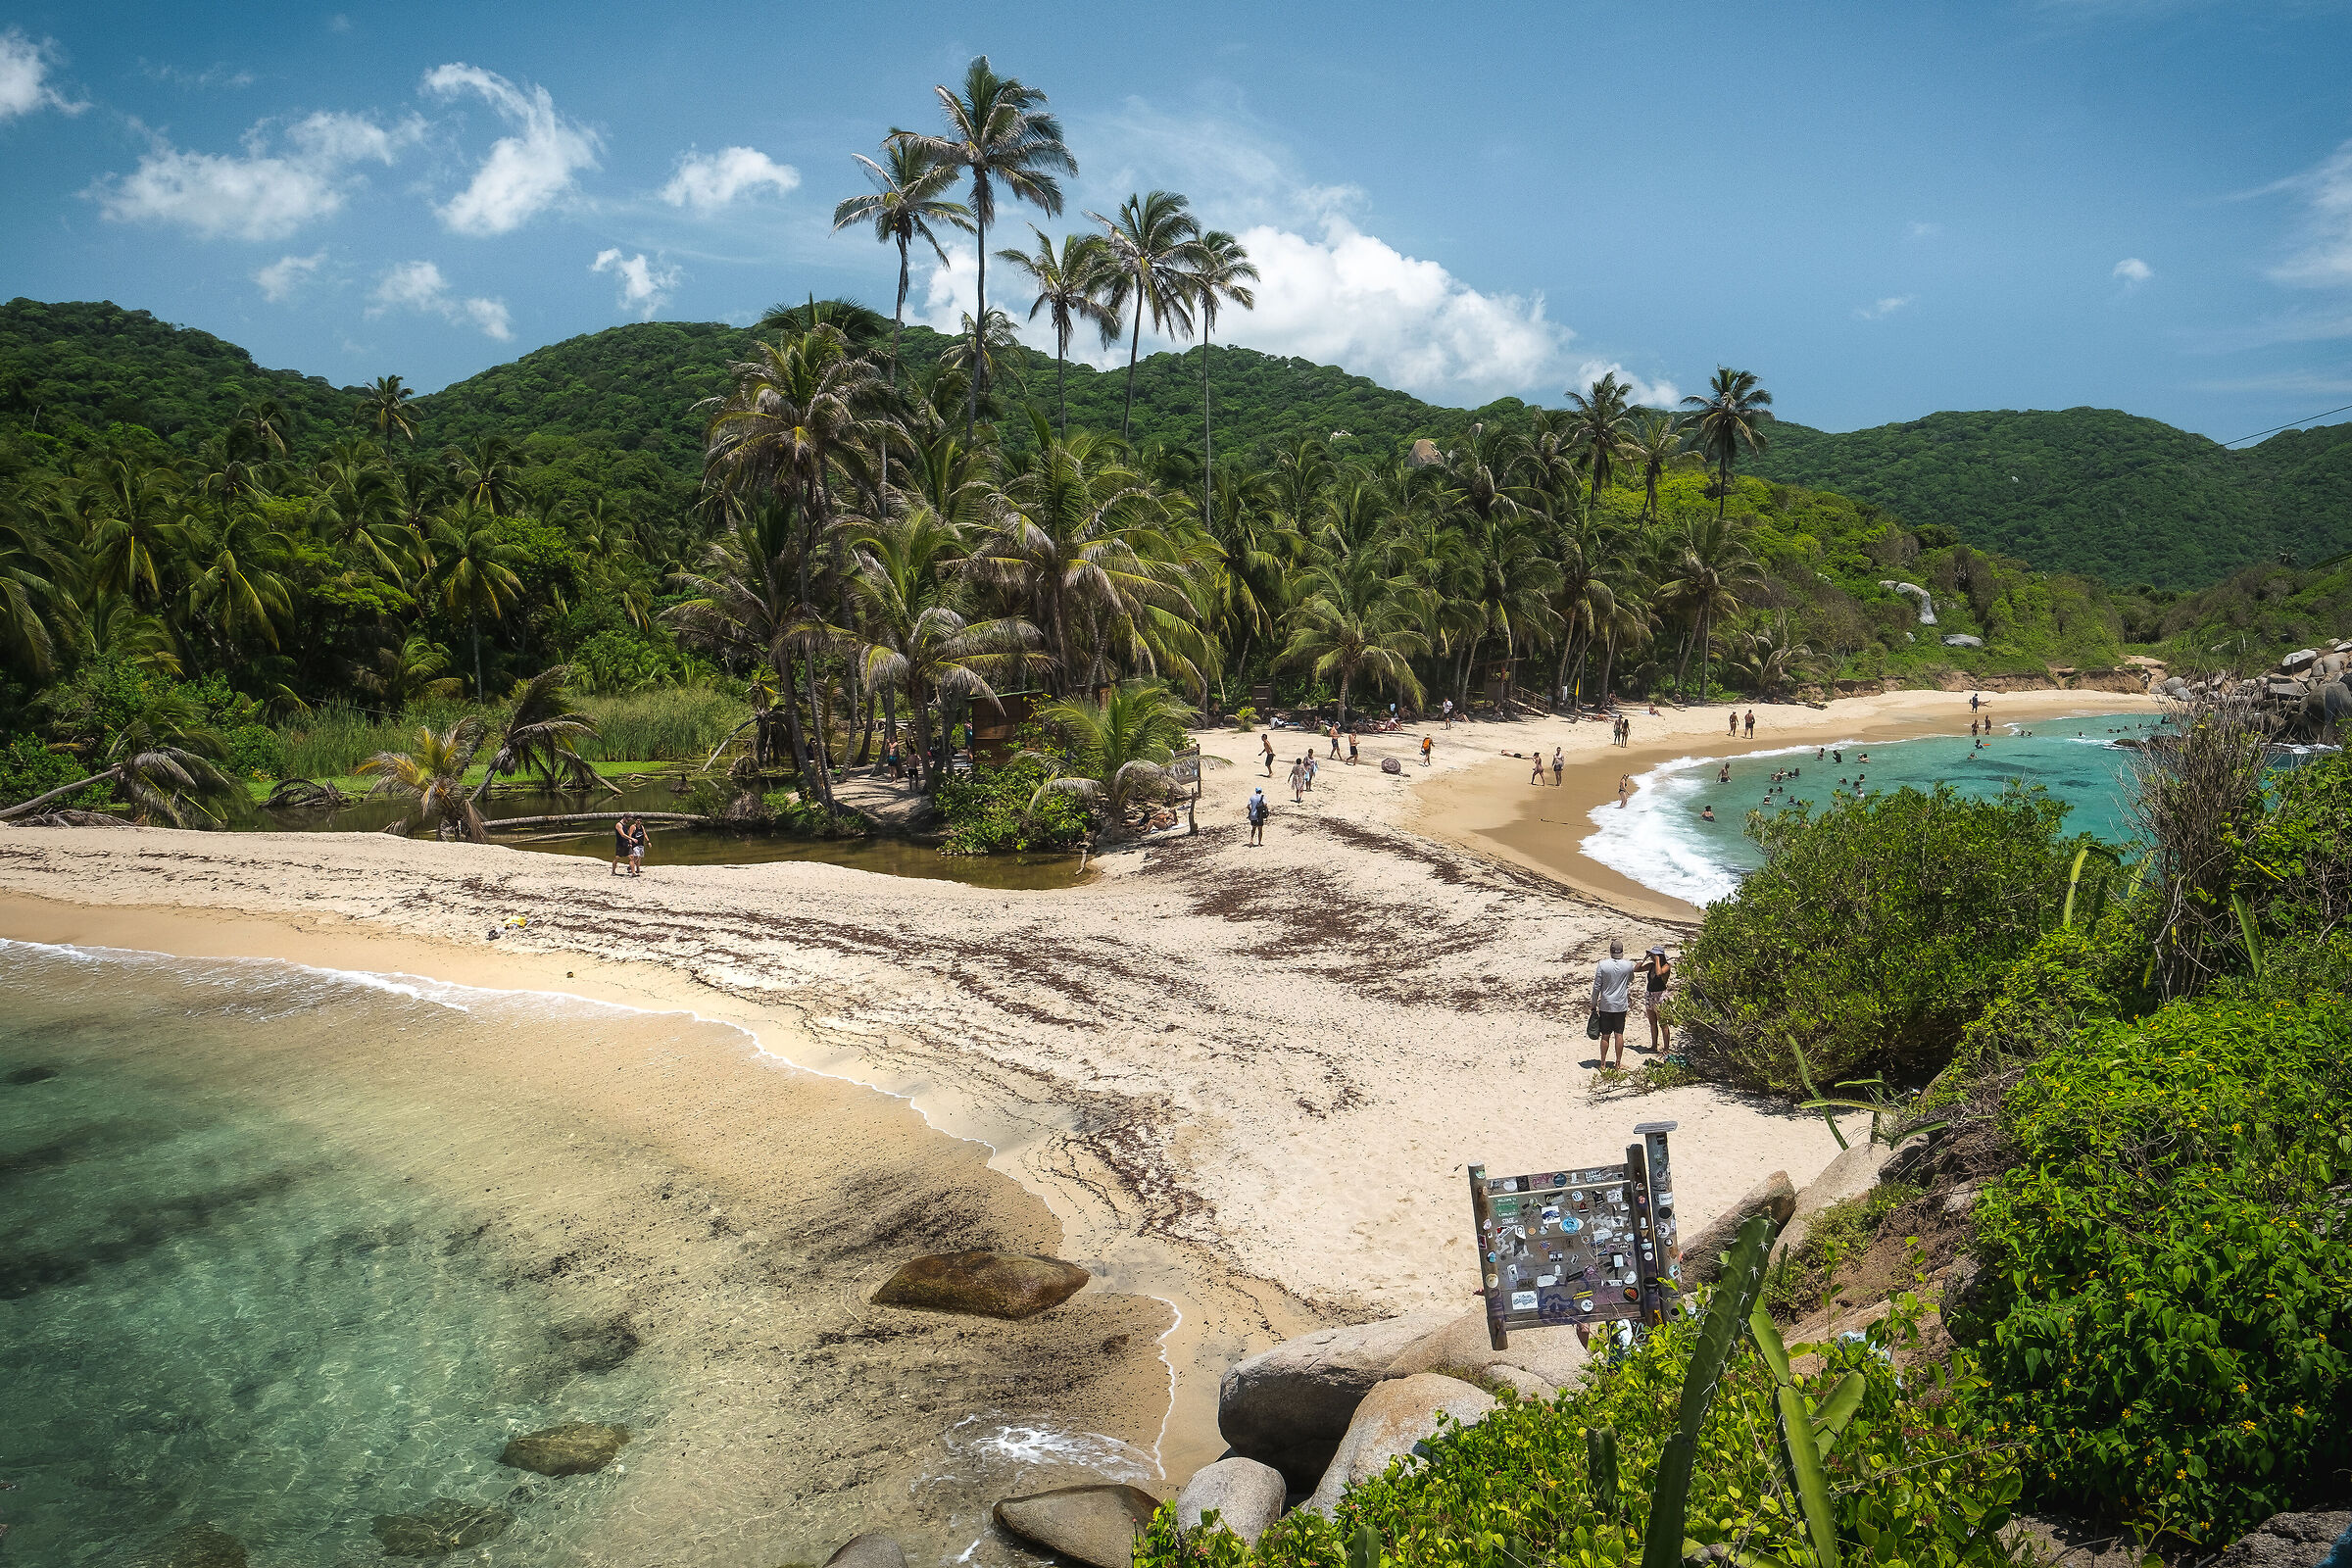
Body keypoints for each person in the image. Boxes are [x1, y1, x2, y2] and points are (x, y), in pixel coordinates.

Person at [1590, 938, 1638, 1069]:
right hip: (1620, 1005)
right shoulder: (1628, 965)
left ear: (1610, 951)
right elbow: (1631, 979)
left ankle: (1603, 1063)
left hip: (1606, 1004)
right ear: (1622, 952)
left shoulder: (1602, 965)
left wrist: (1593, 1003)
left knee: (1605, 1034)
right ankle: (1617, 1063)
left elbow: (1596, 986)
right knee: (1619, 1034)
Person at [1639, 945, 1674, 1054]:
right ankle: (1654, 1045)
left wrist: (1658, 959)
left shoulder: (1666, 966)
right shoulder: (1651, 966)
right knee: (1652, 1022)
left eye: (1654, 955)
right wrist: (1645, 958)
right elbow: (1637, 969)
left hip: (1660, 996)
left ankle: (1666, 1048)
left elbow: (1659, 973)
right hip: (1650, 995)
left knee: (1663, 1023)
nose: (1652, 958)